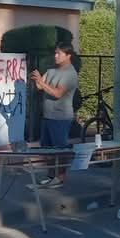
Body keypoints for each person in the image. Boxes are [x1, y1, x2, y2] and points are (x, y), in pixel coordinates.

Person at [30, 42, 78, 186]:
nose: (55, 56)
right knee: (47, 148)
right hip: (47, 116)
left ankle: (60, 178)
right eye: (55, 53)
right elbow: (40, 86)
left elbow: (57, 93)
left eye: (59, 53)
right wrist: (36, 79)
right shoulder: (51, 71)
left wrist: (42, 83)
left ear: (68, 55)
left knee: (60, 149)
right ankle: (51, 176)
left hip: (61, 117)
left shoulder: (70, 74)